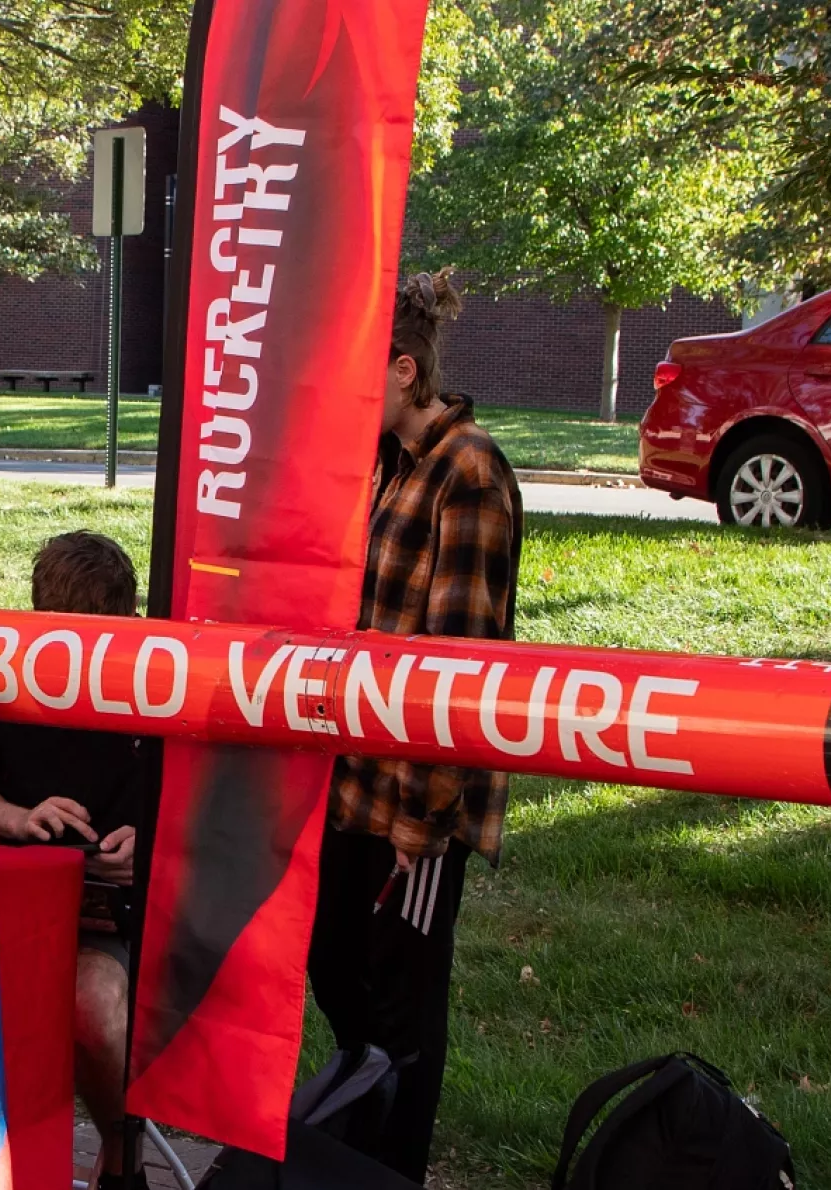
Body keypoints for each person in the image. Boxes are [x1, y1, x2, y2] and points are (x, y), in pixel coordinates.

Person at [306, 268, 521, 1181]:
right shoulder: (388, 464)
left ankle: (393, 1167)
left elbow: (458, 665)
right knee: (333, 965)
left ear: (403, 370)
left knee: (402, 1009)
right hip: (352, 784)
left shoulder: (468, 471)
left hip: (417, 803)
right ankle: (365, 1137)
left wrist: (423, 821)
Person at [0, 530, 159, 1190]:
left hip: (113, 918)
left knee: (92, 1005)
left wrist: (153, 839)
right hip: (8, 909)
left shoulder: (160, 680)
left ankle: (122, 1157)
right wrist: (20, 819)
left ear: (132, 621)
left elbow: (206, 800)